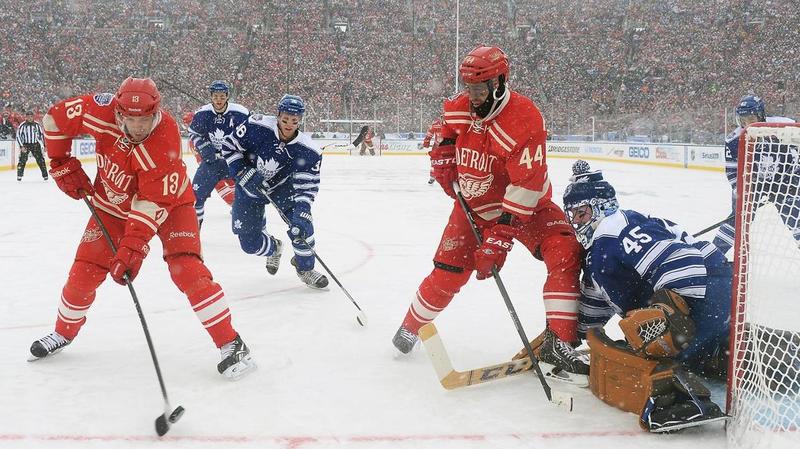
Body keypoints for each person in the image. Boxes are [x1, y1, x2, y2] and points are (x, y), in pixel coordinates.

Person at [29, 77, 256, 380]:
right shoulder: (99, 111)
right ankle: (63, 332)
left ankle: (231, 343)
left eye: (145, 119)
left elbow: (150, 204)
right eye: (130, 119)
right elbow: (53, 118)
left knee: (187, 270)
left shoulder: (165, 136)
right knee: (83, 273)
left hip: (172, 207)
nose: (138, 126)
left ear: (156, 112)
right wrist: (60, 161)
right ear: (119, 112)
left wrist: (132, 249)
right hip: (111, 208)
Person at [391, 45, 587, 380]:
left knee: (565, 250)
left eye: (480, 88)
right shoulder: (461, 104)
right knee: (447, 274)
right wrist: (442, 154)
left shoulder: (525, 119)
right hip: (473, 206)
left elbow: (526, 185)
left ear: (499, 83)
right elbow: (445, 128)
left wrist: (500, 239)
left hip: (528, 208)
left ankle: (561, 343)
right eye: (468, 87)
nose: (473, 96)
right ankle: (411, 327)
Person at [563, 160, 730, 431]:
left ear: (601, 206)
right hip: (719, 297)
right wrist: (567, 338)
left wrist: (669, 314)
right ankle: (734, 352)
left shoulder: (610, 235)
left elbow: (679, 259)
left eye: (581, 213)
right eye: (573, 215)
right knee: (704, 349)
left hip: (701, 298)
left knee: (638, 349)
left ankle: (677, 401)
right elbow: (595, 306)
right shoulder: (613, 239)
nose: (577, 222)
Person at [220, 94, 329, 289]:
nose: (288, 124)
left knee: (302, 227)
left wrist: (303, 208)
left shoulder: (309, 151)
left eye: (294, 121)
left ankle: (305, 268)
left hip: (282, 188)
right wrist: (243, 171)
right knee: (249, 245)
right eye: (285, 119)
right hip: (248, 187)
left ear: (300, 120)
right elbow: (229, 147)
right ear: (278, 115)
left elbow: (307, 185)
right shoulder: (256, 126)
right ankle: (273, 248)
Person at [712, 94, 798, 254]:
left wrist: (796, 175)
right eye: (743, 120)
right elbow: (732, 172)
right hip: (751, 184)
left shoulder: (784, 126)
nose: (747, 124)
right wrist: (743, 192)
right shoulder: (734, 140)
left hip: (784, 182)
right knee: (738, 220)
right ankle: (714, 255)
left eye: (751, 118)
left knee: (795, 216)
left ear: (761, 114)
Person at [187, 80, 250, 228]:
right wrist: (203, 145)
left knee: (250, 198)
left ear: (227, 96)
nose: (218, 100)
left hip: (235, 161)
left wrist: (246, 155)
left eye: (222, 96)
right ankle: (193, 235)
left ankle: (256, 233)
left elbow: (252, 134)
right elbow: (193, 133)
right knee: (195, 198)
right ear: (211, 96)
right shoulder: (203, 113)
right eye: (215, 96)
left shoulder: (240, 112)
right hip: (212, 163)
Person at [15, 111, 48, 181]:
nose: (30, 118)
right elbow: (18, 136)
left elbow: (42, 135)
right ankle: (19, 175)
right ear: (26, 117)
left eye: (31, 116)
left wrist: (44, 146)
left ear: (33, 117)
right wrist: (22, 146)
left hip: (35, 145)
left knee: (41, 160)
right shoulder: (22, 125)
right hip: (26, 145)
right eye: (28, 116)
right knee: (22, 160)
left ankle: (45, 175)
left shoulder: (37, 125)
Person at [422, 117, 442, 185]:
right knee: (434, 161)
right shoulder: (437, 124)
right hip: (441, 146)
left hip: (445, 146)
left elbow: (429, 134)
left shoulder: (437, 124)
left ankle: (433, 177)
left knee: (435, 161)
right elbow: (429, 134)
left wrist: (426, 142)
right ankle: (432, 177)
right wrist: (426, 142)